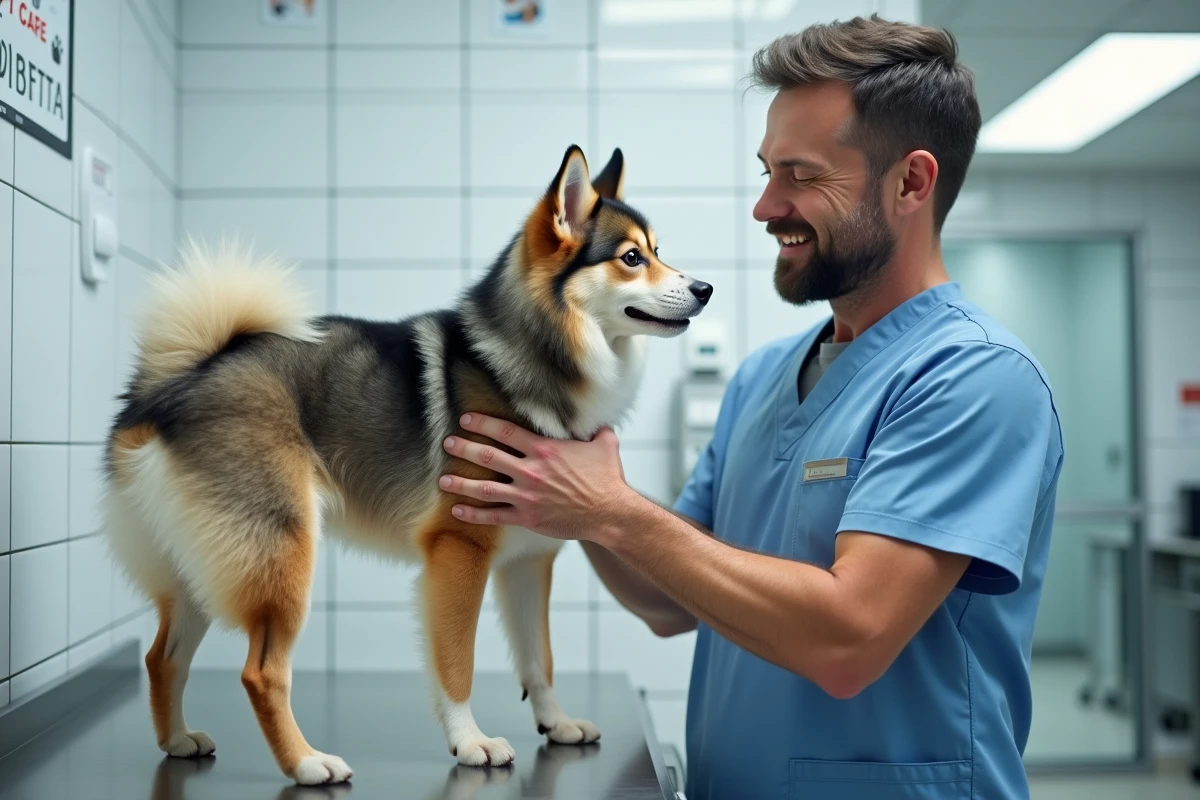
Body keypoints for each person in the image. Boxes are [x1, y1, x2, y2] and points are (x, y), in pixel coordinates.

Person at [438, 14, 1063, 800]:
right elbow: (667, 597)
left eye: (801, 176)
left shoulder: (974, 379)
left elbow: (849, 638)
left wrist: (616, 511)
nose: (766, 206)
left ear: (911, 183)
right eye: (767, 171)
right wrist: (573, 497)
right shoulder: (764, 378)